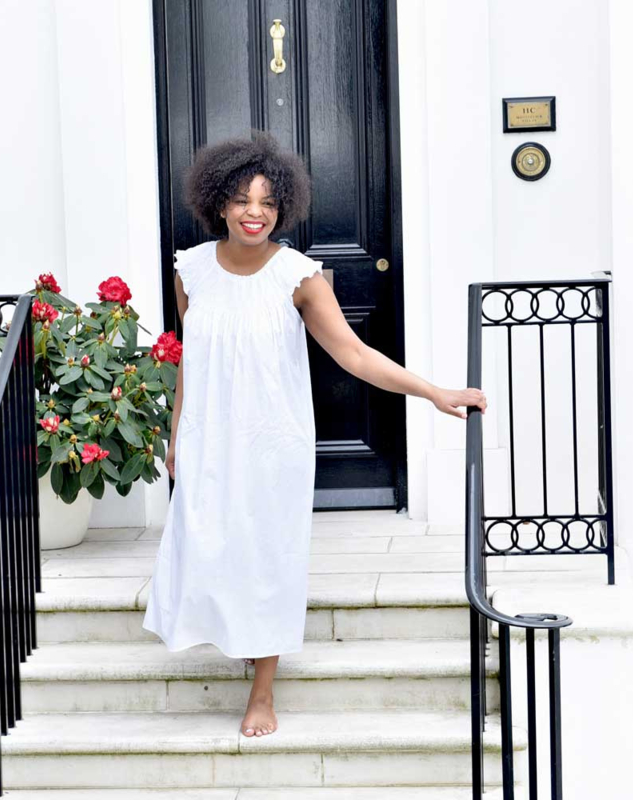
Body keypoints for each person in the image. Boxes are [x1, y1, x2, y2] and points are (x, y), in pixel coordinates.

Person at [142, 130, 487, 739]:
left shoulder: (298, 276)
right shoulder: (190, 270)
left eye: (268, 202)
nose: (255, 212)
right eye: (242, 200)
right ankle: (241, 636)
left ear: (284, 207)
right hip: (207, 438)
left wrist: (434, 392)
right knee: (212, 547)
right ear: (219, 202)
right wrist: (176, 436)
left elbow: (355, 355)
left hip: (273, 443)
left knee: (267, 557)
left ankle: (263, 689)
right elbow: (192, 359)